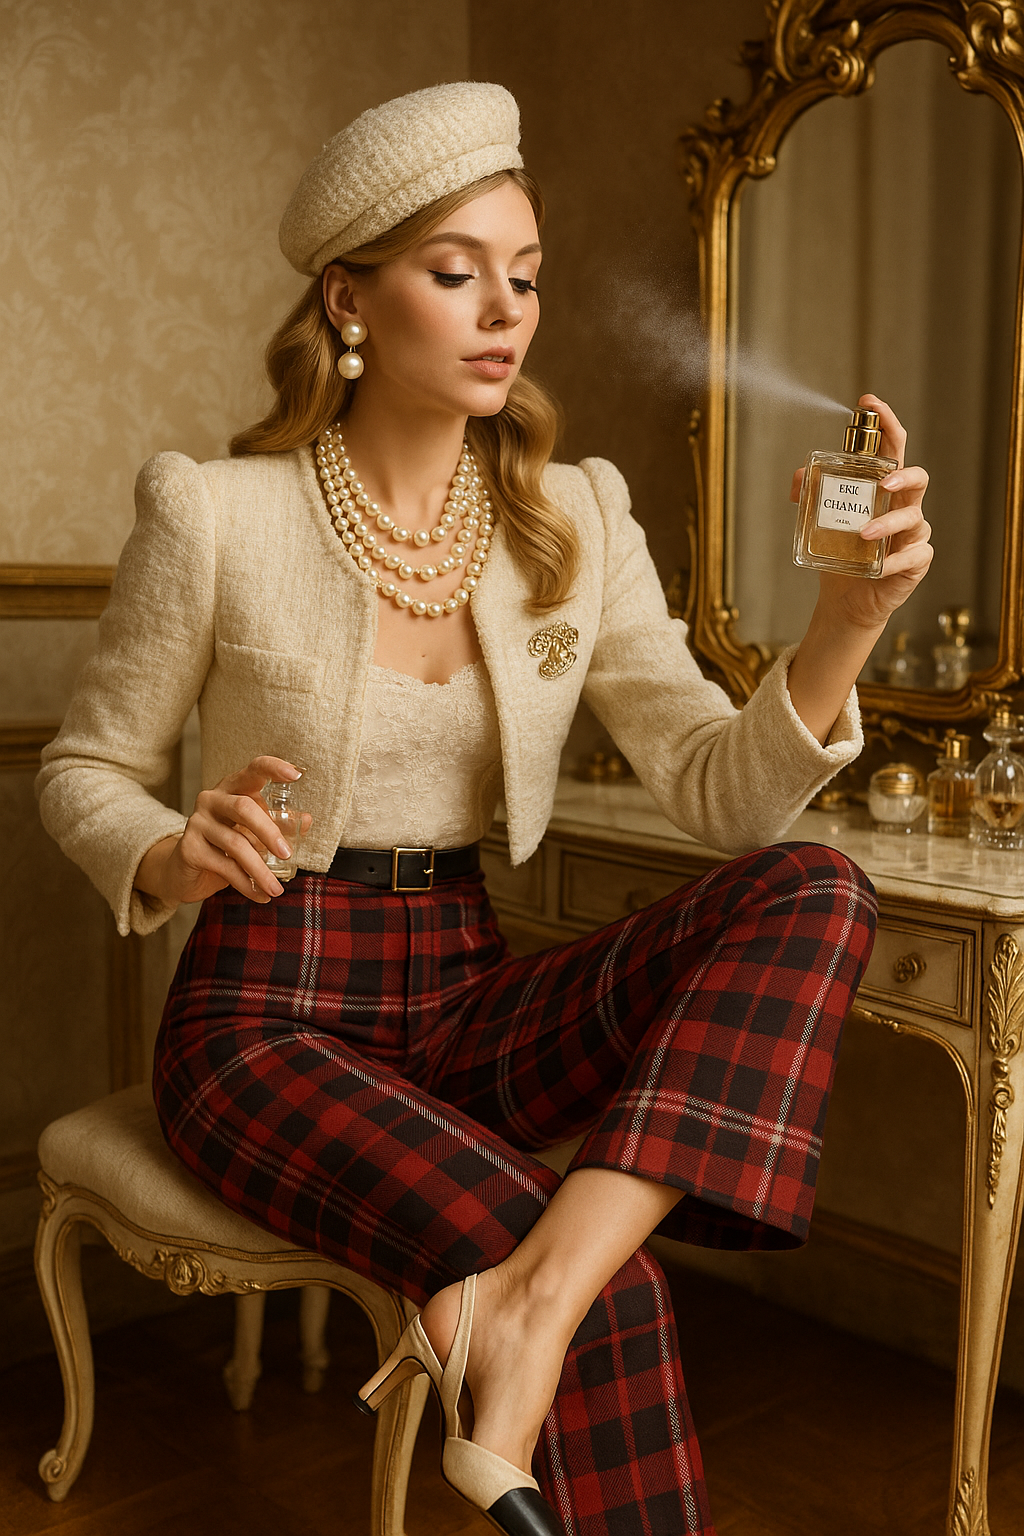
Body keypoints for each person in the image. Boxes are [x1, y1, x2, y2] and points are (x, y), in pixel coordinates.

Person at [37, 82, 933, 1536]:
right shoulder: (216, 512)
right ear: (349, 299)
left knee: (817, 889)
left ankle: (523, 1304)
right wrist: (168, 846)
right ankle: (542, 1306)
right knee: (621, 1294)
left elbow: (721, 798)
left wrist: (845, 624)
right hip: (265, 1014)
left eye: (526, 275)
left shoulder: (578, 515)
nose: (505, 310)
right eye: (456, 273)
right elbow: (82, 765)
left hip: (464, 997)